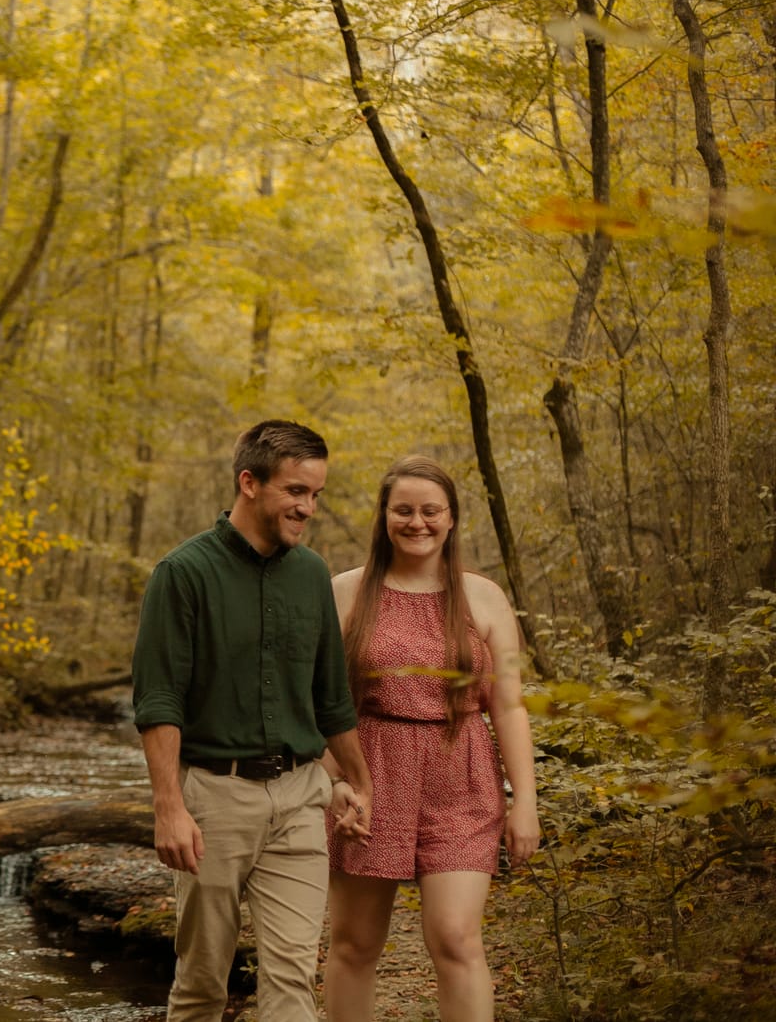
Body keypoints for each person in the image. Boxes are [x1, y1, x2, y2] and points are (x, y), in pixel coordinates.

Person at [132, 419, 373, 1022]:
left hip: (299, 799)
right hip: (215, 799)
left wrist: (360, 782)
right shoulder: (182, 573)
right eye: (296, 491)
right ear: (249, 482)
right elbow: (159, 701)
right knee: (202, 985)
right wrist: (169, 807)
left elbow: (331, 696)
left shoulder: (312, 574)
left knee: (292, 980)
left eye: (316, 494)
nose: (308, 507)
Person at [321, 455, 540, 1022]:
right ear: (384, 516)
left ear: (451, 518)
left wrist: (526, 804)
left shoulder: (485, 598)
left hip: (462, 774)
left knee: (457, 939)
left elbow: (510, 706)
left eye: (430, 511)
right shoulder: (344, 593)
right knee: (354, 944)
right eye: (404, 510)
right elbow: (317, 699)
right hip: (370, 773)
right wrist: (333, 778)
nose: (417, 522)